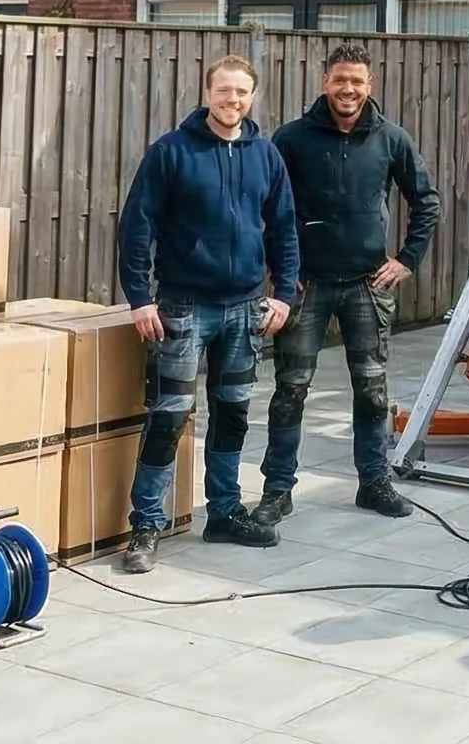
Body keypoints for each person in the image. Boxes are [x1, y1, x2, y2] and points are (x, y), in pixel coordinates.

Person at [115, 54, 299, 573]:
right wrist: (140, 299)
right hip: (183, 307)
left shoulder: (266, 155)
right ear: (207, 94)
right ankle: (146, 525)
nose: (232, 100)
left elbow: (285, 229)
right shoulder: (171, 153)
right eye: (223, 91)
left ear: (252, 97)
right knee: (168, 415)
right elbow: (137, 229)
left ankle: (224, 513)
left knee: (233, 412)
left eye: (241, 92)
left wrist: (283, 293)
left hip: (246, 309)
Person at [256, 39, 441, 523]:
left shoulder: (390, 138)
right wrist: (279, 272)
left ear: (370, 85)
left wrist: (406, 259)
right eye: (340, 80)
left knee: (373, 389)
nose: (348, 89)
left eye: (357, 81)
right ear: (325, 82)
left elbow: (427, 203)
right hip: (306, 286)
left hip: (367, 284)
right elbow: (267, 208)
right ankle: (277, 490)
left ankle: (374, 483)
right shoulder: (292, 139)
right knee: (291, 389)